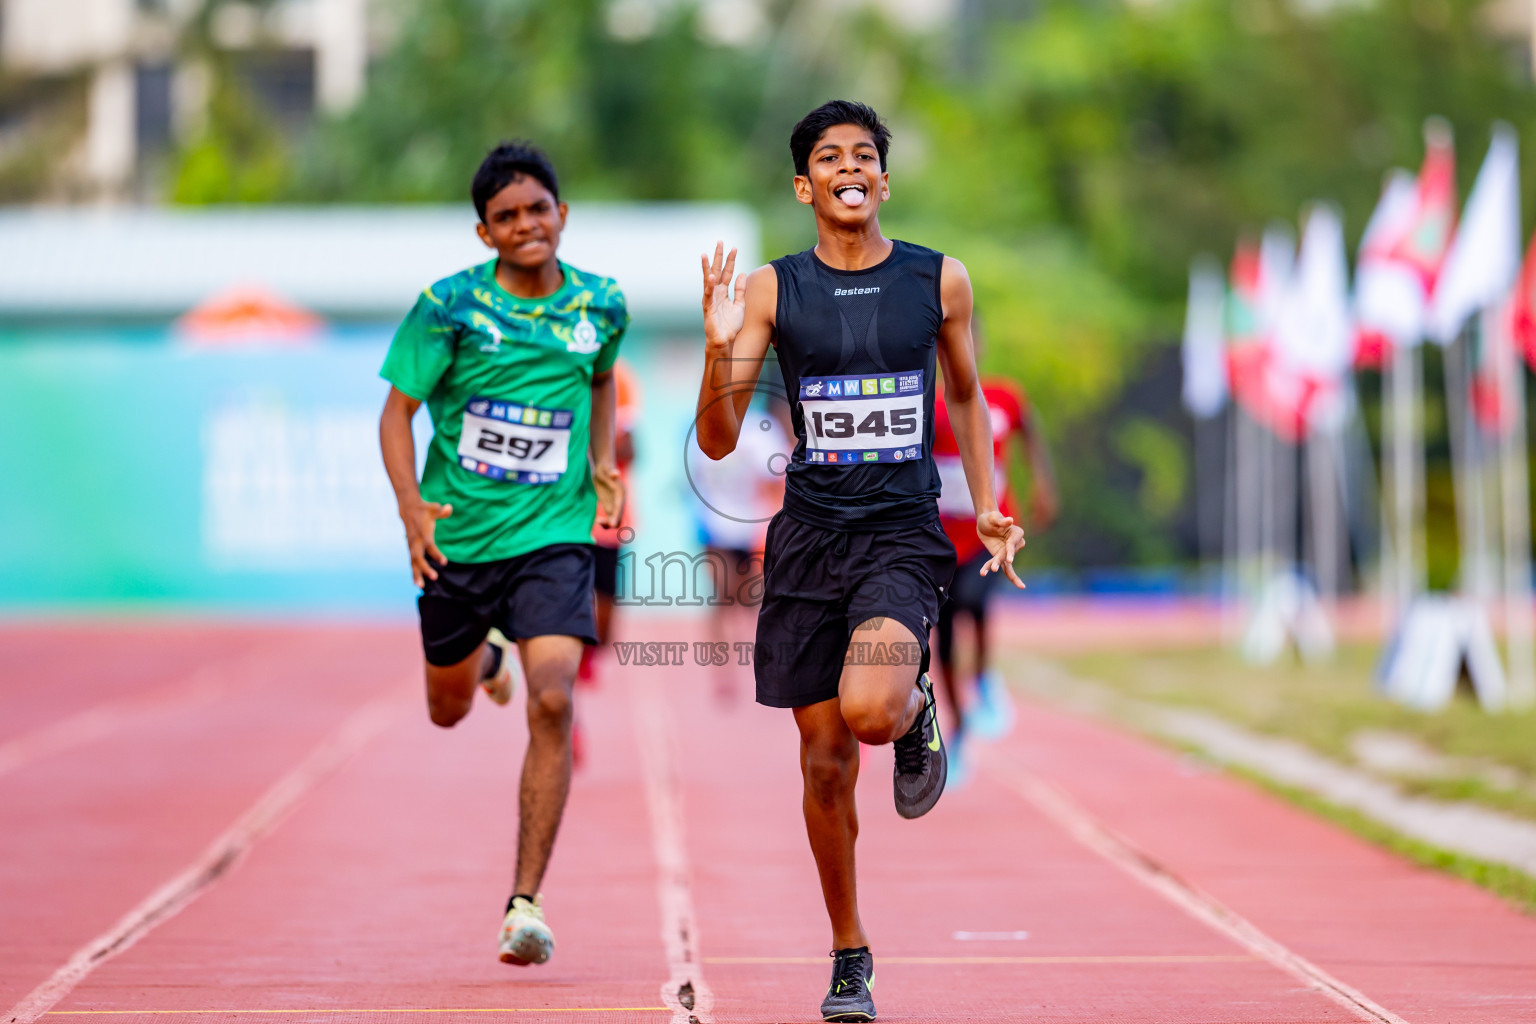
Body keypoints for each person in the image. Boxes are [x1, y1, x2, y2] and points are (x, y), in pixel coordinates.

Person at [693, 100, 1025, 1023]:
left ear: (883, 177)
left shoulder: (940, 280)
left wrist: (990, 503)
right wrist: (720, 349)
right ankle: (849, 950)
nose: (850, 167)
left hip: (898, 537)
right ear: (805, 185)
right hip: (808, 543)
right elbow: (717, 442)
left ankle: (915, 706)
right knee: (825, 759)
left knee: (870, 711)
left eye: (865, 155)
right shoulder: (769, 289)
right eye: (830, 158)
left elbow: (965, 391)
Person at [377, 140, 627, 969]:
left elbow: (597, 381)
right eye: (506, 216)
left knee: (553, 700)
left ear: (563, 215)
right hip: (459, 540)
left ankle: (525, 904)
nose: (526, 225)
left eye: (538, 210)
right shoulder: (447, 307)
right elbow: (396, 413)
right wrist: (412, 507)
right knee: (446, 710)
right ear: (484, 233)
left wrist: (602, 463)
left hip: (553, 535)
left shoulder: (602, 304)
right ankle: (483, 660)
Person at [931, 352, 1058, 783]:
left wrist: (1043, 482)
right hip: (944, 538)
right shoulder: (925, 403)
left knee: (975, 599)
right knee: (944, 640)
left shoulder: (1003, 397)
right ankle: (959, 726)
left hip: (994, 531)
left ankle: (984, 676)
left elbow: (1031, 430)